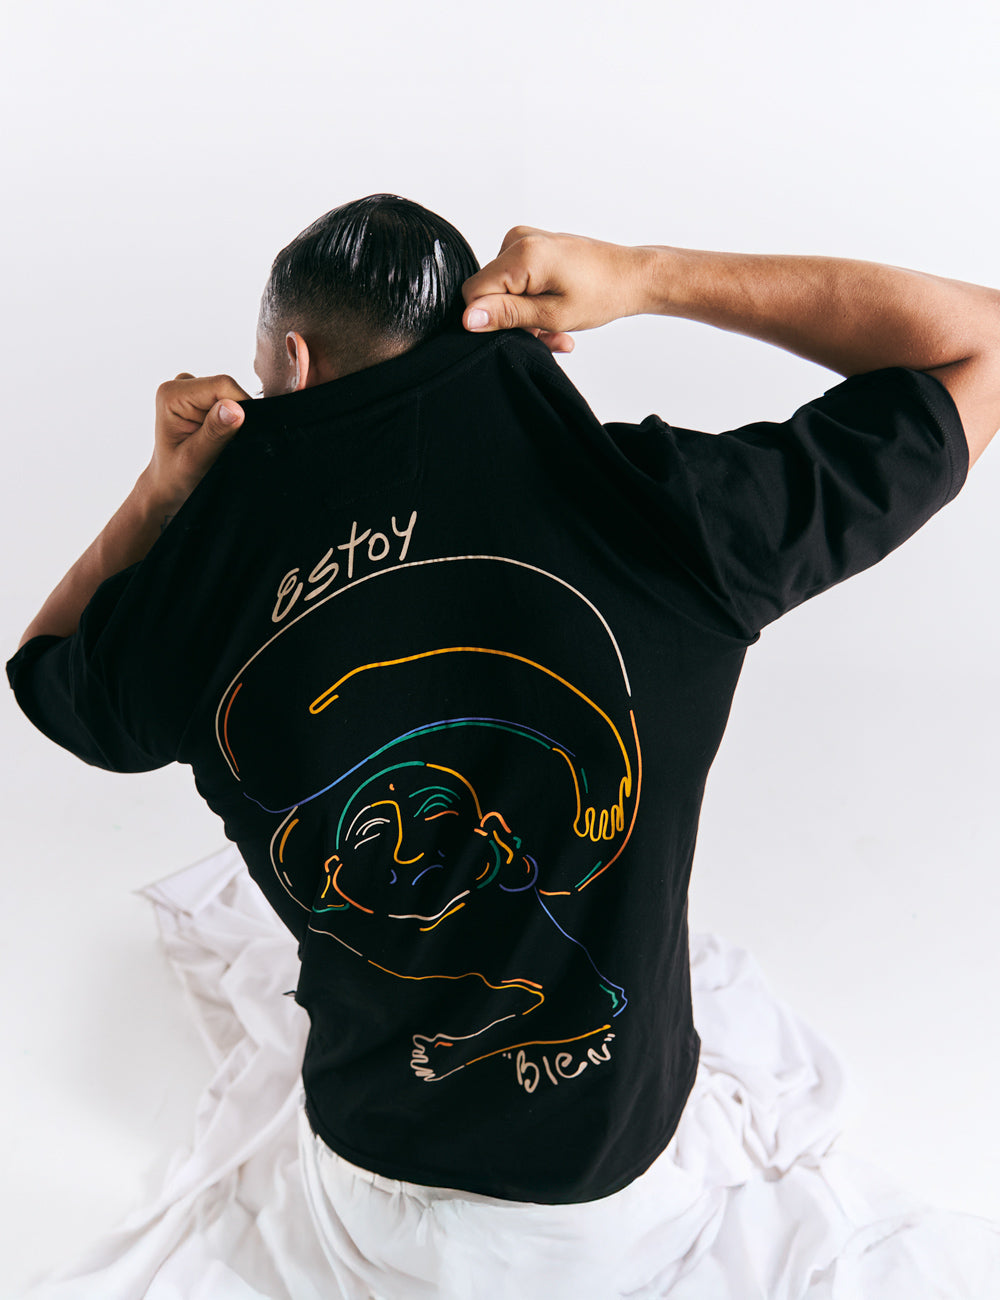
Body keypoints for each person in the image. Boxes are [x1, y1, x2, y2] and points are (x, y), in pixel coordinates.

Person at [7, 194, 998, 1298]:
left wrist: (164, 488)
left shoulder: (205, 597)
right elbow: (982, 344)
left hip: (370, 1184)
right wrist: (647, 275)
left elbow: (46, 668)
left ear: (291, 361)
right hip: (620, 1196)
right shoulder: (669, 520)